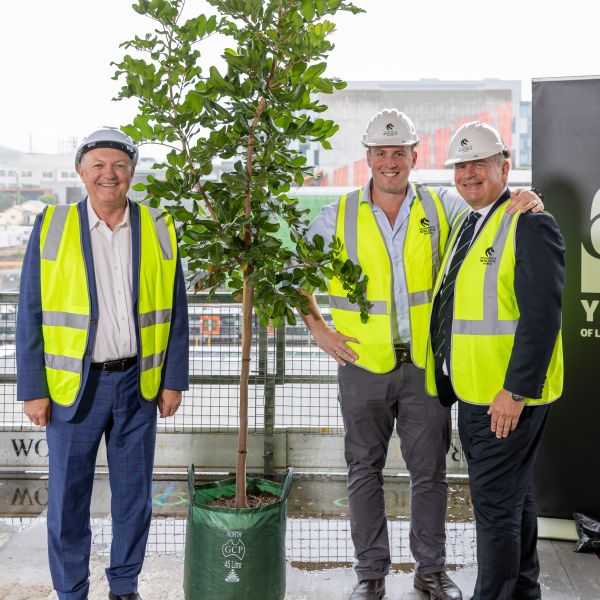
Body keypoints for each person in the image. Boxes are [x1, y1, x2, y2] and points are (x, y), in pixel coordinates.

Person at [299, 109, 543, 600]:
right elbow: (291, 276)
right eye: (381, 153)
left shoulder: (442, 207)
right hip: (362, 365)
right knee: (363, 468)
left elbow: (490, 211)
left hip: (425, 368)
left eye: (399, 153)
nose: (390, 163)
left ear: (414, 157)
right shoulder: (336, 215)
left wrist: (528, 199)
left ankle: (430, 571)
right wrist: (318, 329)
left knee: (429, 472)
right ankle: (370, 573)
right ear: (368, 158)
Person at [16, 127, 189, 600]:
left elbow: (175, 309)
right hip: (73, 388)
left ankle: (124, 585)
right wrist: (33, 388)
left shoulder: (158, 226)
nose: (108, 175)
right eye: (98, 165)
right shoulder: (52, 225)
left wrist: (172, 380)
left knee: (133, 499)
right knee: (67, 501)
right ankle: (72, 591)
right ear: (81, 172)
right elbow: (30, 309)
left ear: (132, 172)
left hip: (139, 384)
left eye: (118, 165)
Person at [426, 121, 564, 600]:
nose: (468, 174)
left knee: (494, 512)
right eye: (460, 166)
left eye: (478, 164)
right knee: (515, 501)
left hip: (504, 397)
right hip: (477, 389)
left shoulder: (530, 222)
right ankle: (523, 591)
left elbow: (541, 317)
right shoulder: (472, 222)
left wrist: (514, 391)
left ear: (504, 166)